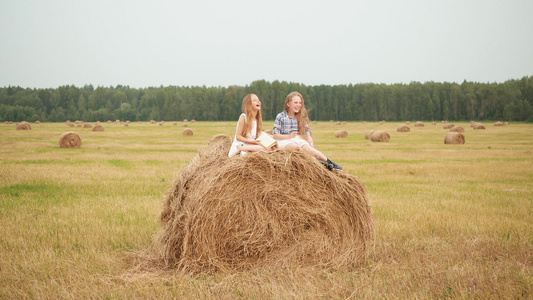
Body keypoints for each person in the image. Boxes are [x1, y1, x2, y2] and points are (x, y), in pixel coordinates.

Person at [272, 91, 342, 170]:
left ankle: (330, 162)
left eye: (300, 103)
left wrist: (310, 142)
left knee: (308, 149)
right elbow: (275, 135)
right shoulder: (280, 116)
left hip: (298, 139)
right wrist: (289, 136)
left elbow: (307, 133)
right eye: (295, 102)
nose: (298, 105)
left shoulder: (301, 116)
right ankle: (319, 163)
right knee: (295, 148)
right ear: (288, 104)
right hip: (284, 140)